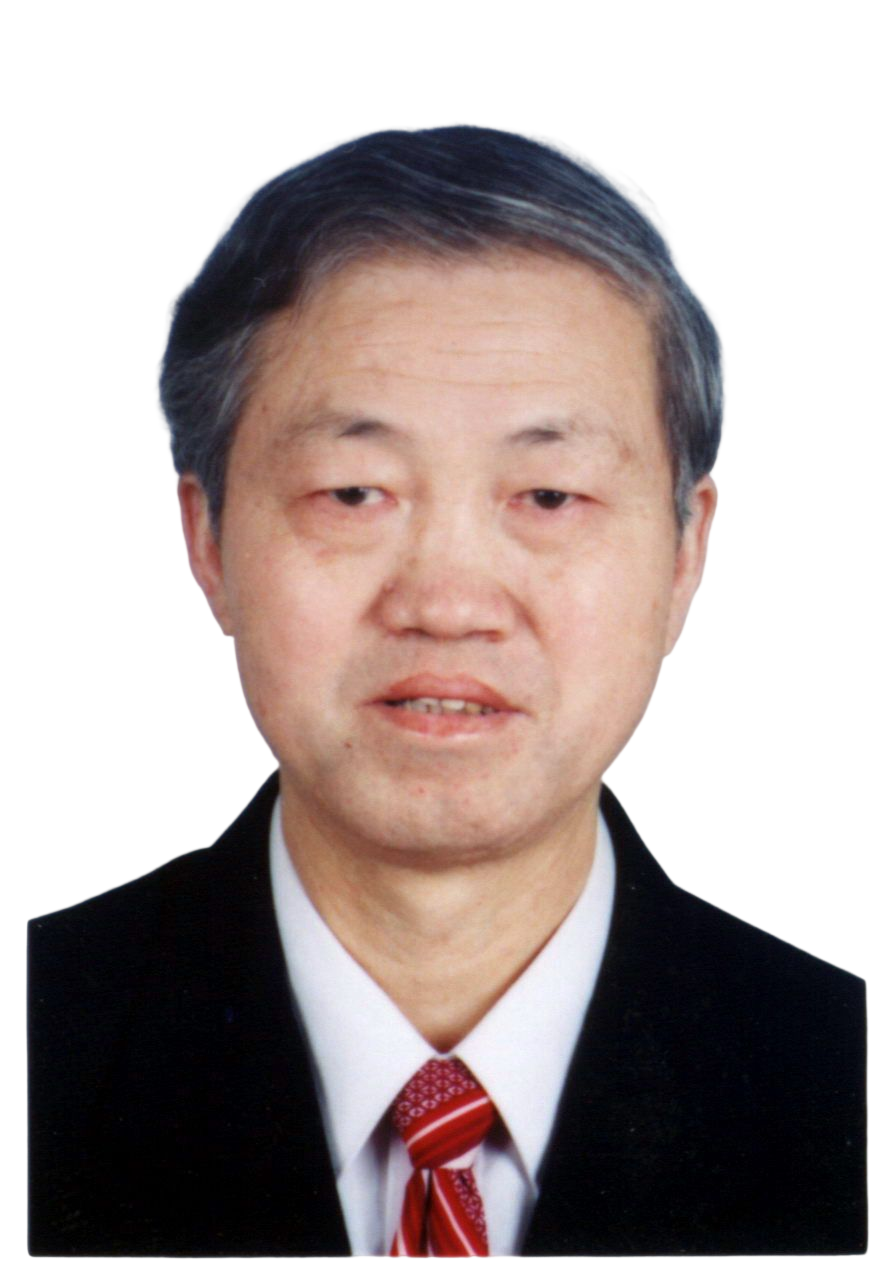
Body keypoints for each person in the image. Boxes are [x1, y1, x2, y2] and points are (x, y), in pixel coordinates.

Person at [25, 121, 867, 1259]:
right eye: (354, 491)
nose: (449, 601)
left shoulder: (851, 1073)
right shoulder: (38, 1035)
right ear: (204, 542)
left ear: (687, 557)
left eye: (549, 495)